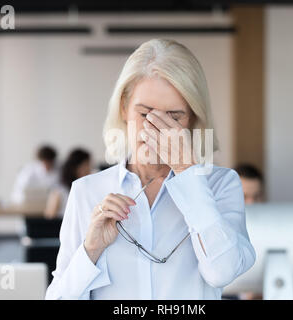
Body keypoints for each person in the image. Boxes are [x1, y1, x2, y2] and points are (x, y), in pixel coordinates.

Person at [45, 39, 255, 300]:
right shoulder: (87, 191)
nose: (156, 129)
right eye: (145, 114)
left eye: (174, 117)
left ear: (193, 119)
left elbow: (222, 272)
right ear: (124, 108)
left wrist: (187, 173)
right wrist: (91, 249)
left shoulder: (221, 185)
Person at [44, 149, 92, 219]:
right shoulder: (59, 190)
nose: (89, 170)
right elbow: (49, 217)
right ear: (76, 168)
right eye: (86, 165)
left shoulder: (86, 189)